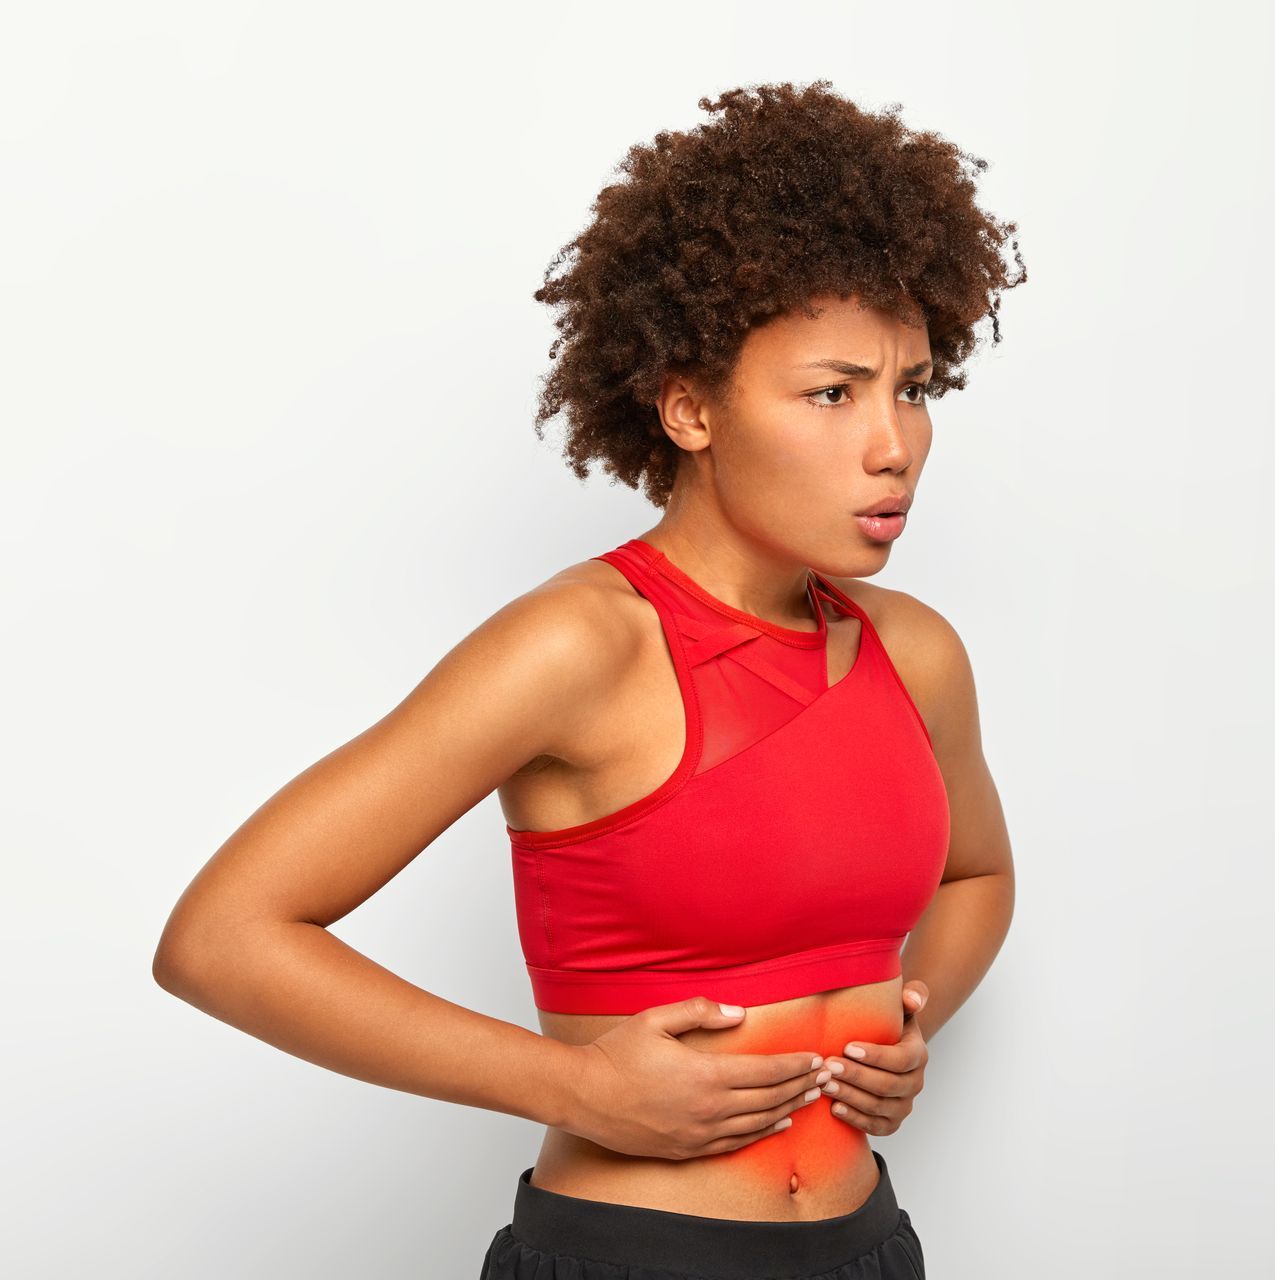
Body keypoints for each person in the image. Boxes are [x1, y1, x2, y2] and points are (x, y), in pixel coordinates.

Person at [152, 79, 1025, 1278]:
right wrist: (578, 1085)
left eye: (911, 387)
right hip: (631, 1254)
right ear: (688, 408)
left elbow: (977, 869)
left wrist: (913, 1006)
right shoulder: (579, 645)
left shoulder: (913, 651)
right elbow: (222, 935)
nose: (894, 443)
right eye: (832, 391)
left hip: (870, 1245)